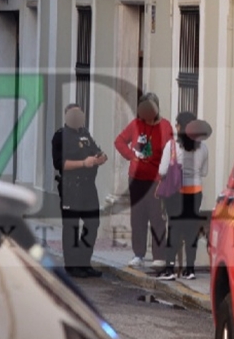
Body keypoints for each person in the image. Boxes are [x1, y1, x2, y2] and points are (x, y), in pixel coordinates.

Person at [114, 93, 173, 267]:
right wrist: (131, 156)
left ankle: (159, 256)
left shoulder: (165, 126)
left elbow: (169, 152)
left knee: (157, 217)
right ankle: (138, 254)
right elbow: (119, 141)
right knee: (137, 217)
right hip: (136, 180)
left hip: (156, 180)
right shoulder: (135, 125)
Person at [52, 104, 107, 278]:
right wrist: (84, 163)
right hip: (71, 187)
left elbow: (97, 152)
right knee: (71, 227)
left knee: (92, 224)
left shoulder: (85, 135)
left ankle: (84, 261)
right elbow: (59, 164)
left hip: (88, 186)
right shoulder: (61, 136)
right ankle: (72, 265)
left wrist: (100, 157)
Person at [156, 112, 210, 281]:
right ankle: (190, 269)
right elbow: (204, 172)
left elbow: (162, 171)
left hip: (176, 194)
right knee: (191, 231)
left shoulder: (172, 146)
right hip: (195, 193)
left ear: (179, 126)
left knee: (174, 229)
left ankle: (170, 268)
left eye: (177, 124)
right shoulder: (203, 147)